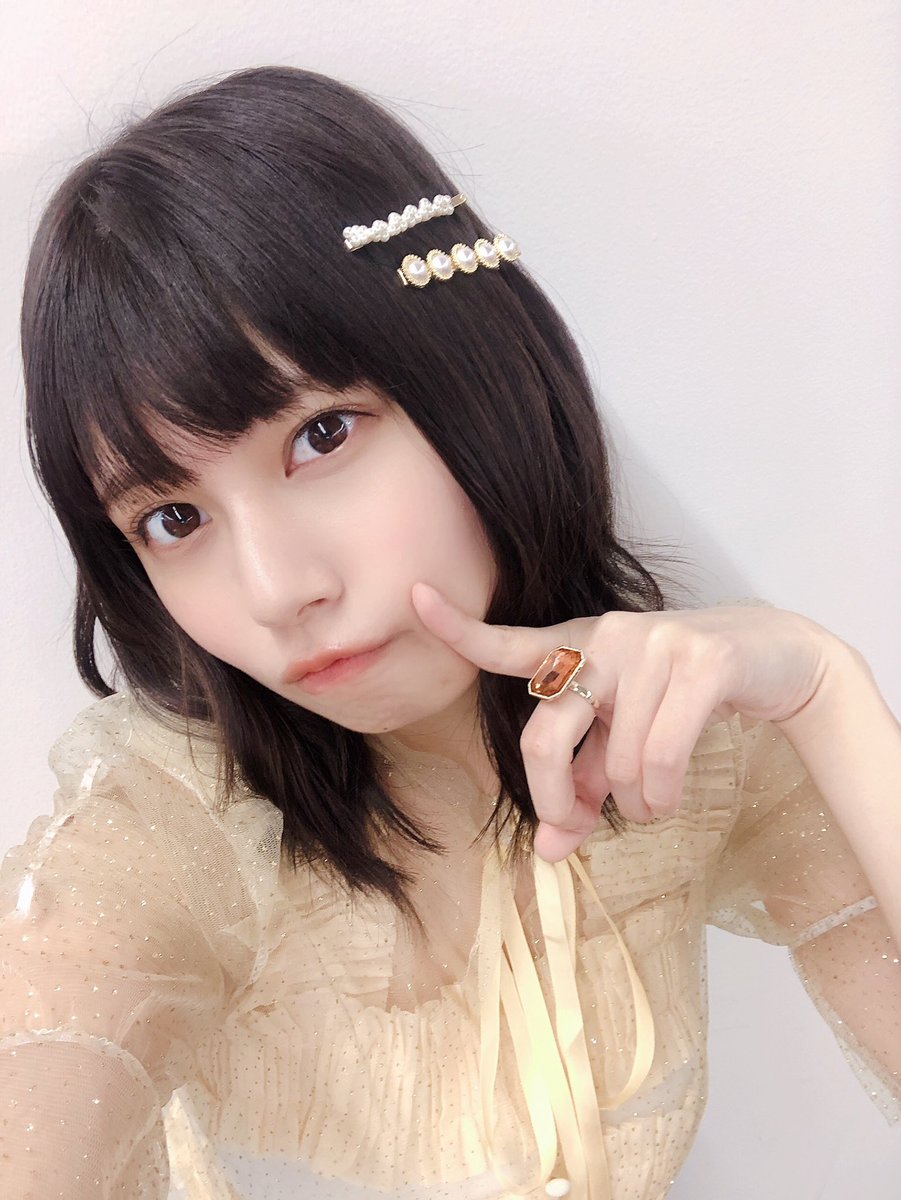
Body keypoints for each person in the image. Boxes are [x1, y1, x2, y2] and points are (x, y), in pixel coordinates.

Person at [1, 63, 898, 1200]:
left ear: (476, 382)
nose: (277, 591)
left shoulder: (682, 738)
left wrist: (822, 690)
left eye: (321, 435)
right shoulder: (157, 850)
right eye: (173, 519)